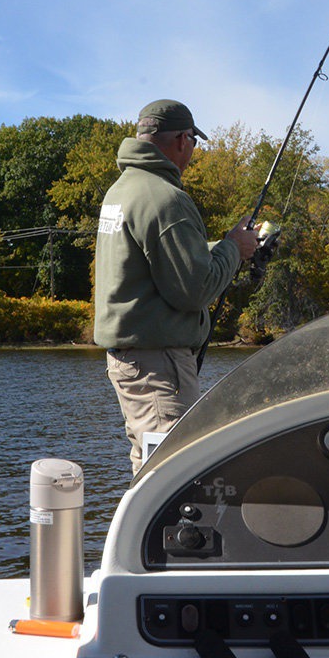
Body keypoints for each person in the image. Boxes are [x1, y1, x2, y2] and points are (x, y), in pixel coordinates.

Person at [94, 99, 258, 473]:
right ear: (183, 140)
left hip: (132, 361)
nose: (193, 152)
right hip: (158, 366)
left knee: (147, 465)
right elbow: (195, 289)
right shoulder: (166, 200)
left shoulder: (122, 191)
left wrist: (224, 246)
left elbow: (162, 261)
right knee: (173, 472)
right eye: (194, 143)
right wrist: (234, 249)